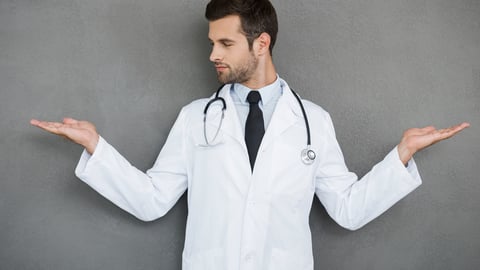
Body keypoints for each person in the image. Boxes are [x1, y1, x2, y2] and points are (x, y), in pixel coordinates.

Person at [30, 0, 470, 269]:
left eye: (225, 44)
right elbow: (150, 201)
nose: (211, 54)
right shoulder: (195, 118)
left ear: (261, 44)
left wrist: (404, 153)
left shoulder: (313, 120)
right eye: (211, 42)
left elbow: (348, 210)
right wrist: (95, 146)